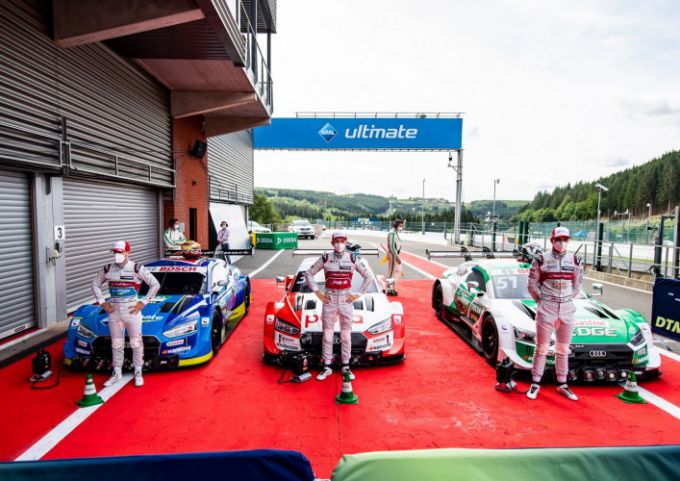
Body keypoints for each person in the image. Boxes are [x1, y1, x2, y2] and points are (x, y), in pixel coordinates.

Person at [305, 231, 373, 381]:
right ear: (332, 243)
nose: (339, 244)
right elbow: (308, 274)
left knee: (346, 336)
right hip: (329, 299)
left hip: (345, 299)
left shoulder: (353, 258)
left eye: (342, 241)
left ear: (346, 242)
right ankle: (327, 366)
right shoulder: (325, 258)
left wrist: (358, 293)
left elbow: (369, 276)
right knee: (328, 335)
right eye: (337, 241)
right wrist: (317, 292)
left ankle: (346, 366)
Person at [526, 226, 583, 401]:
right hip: (547, 307)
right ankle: (535, 382)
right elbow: (531, 285)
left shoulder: (575, 260)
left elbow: (578, 285)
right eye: (558, 239)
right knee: (542, 348)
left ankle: (562, 384)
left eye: (565, 239)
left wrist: (567, 299)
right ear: (552, 240)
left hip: (567, 308)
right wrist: (542, 301)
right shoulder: (541, 259)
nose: (562, 242)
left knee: (563, 349)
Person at [92, 240, 160, 388]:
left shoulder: (137, 268)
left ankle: (138, 372)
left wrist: (143, 302)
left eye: (120, 252)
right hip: (114, 311)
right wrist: (102, 302)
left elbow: (155, 284)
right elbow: (95, 284)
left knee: (136, 342)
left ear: (128, 252)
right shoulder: (107, 269)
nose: (117, 254)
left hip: (132, 310)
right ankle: (117, 373)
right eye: (115, 252)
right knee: (116, 343)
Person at [385, 219, 404, 296]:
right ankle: (389, 289)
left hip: (394, 254)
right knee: (391, 272)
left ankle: (390, 287)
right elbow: (392, 246)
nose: (401, 228)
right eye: (400, 226)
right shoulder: (392, 233)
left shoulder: (394, 232)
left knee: (397, 270)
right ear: (396, 225)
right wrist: (396, 256)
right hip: (393, 254)